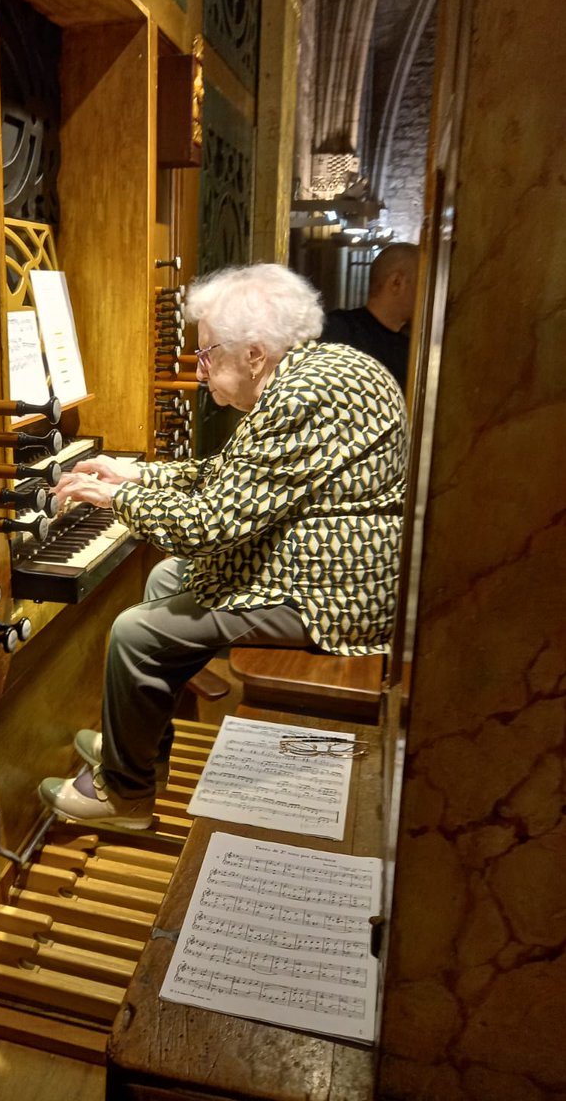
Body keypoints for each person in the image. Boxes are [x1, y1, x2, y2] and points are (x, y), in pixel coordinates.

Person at [37, 262, 408, 830]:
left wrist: (115, 501)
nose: (200, 369)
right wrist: (136, 476)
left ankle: (125, 795)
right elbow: (234, 474)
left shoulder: (303, 395)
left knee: (136, 632)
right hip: (329, 564)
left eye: (208, 353)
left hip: (338, 593)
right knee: (167, 580)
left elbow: (210, 523)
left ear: (254, 354)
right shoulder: (316, 371)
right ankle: (137, 750)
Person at [320, 241, 418, 391]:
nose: (427, 297)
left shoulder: (411, 350)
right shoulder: (337, 331)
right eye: (422, 285)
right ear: (397, 282)